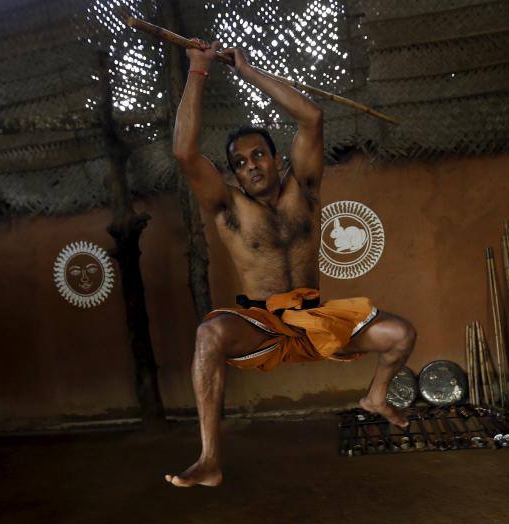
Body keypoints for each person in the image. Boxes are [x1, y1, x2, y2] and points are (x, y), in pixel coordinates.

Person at [167, 40, 416, 487]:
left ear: (277, 158)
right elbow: (185, 153)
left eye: (259, 155)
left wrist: (248, 70)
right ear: (235, 174)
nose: (251, 166)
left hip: (316, 317)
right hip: (262, 321)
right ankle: (209, 459)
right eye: (240, 163)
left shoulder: (304, 188)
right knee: (209, 335)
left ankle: (375, 398)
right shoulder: (228, 208)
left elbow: (312, 118)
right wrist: (198, 71)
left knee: (401, 335)